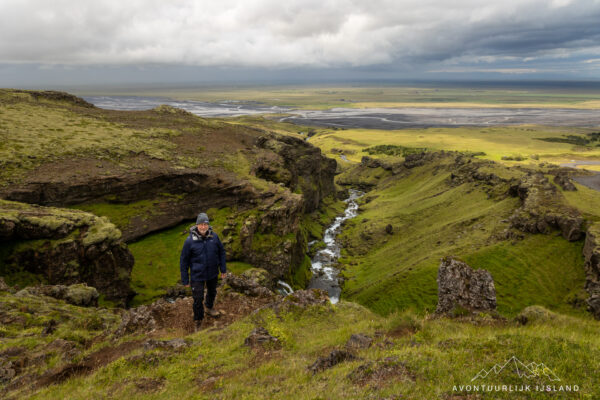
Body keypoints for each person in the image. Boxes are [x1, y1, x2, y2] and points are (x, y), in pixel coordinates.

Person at [180, 212, 227, 331]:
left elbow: (221, 252)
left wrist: (223, 269)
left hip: (212, 272)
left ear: (208, 225)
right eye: (201, 224)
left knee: (212, 292)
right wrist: (185, 279)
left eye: (205, 224)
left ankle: (209, 307)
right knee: (197, 299)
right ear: (196, 225)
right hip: (197, 275)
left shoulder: (214, 237)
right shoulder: (189, 241)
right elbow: (184, 261)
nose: (203, 227)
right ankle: (198, 320)